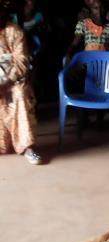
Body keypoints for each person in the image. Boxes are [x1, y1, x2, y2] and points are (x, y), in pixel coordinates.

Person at [0, 0, 42, 164]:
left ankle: (28, 147)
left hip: (12, 80)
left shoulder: (15, 31)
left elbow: (22, 61)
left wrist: (6, 82)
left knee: (20, 93)